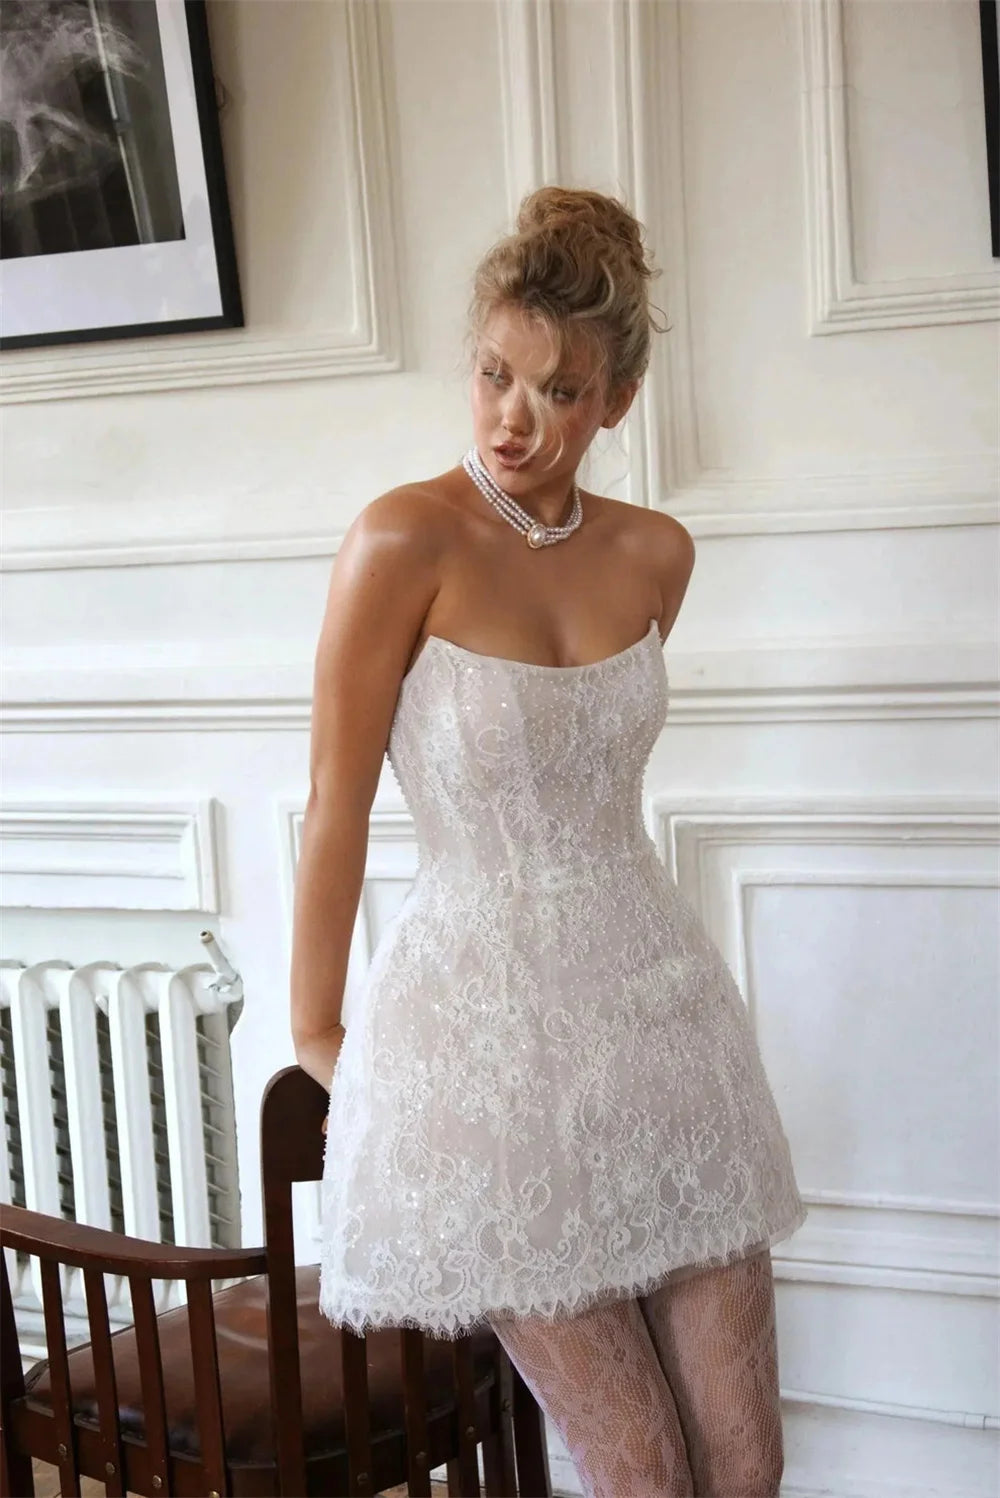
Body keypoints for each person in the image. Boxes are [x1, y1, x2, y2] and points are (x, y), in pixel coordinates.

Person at [290, 185, 807, 1498]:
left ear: (616, 400)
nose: (517, 417)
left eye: (560, 390)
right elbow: (336, 800)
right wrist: (322, 1037)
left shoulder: (656, 556)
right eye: (494, 375)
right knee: (639, 1467)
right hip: (489, 1064)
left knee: (746, 1463)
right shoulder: (400, 539)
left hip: (664, 1034)